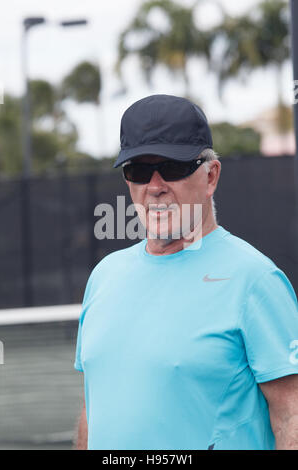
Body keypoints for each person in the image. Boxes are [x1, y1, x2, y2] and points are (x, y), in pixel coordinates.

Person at [74, 94, 298, 450]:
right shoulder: (104, 276)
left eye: (173, 167)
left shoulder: (255, 279)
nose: (156, 185)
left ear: (211, 176)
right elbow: (93, 406)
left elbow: (291, 415)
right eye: (139, 170)